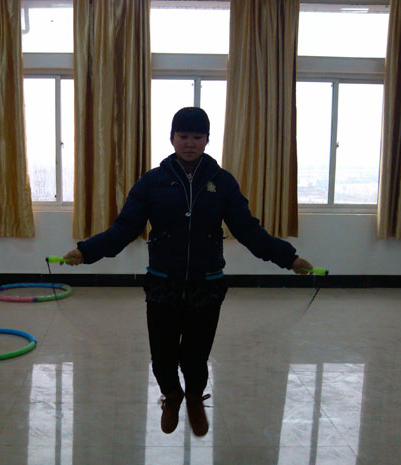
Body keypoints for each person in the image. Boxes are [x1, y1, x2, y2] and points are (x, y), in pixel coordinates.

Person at [62, 107, 313, 437]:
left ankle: (194, 398)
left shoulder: (222, 182)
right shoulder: (152, 182)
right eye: (183, 136)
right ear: (172, 138)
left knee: (195, 356)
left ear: (207, 140)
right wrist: (86, 251)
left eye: (197, 136)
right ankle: (172, 395)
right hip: (162, 283)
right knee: (162, 356)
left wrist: (289, 258)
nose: (190, 143)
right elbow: (123, 228)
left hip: (206, 285)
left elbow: (249, 231)